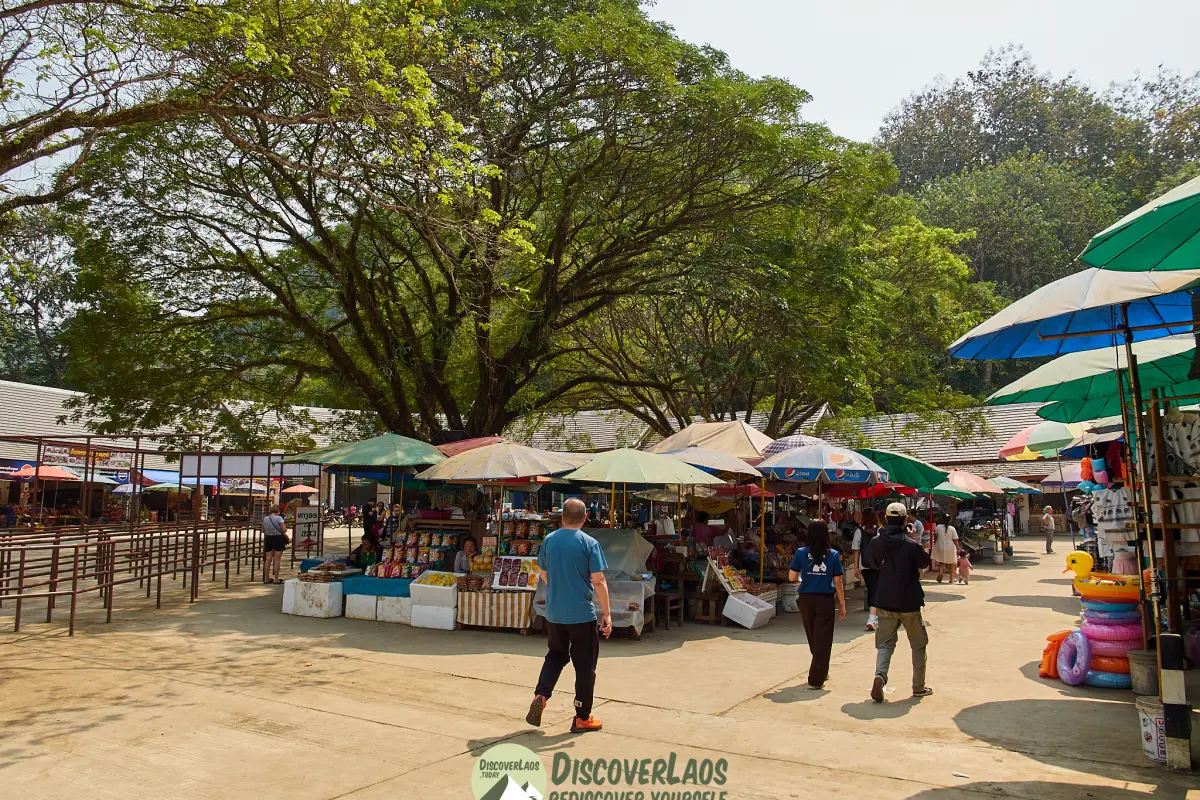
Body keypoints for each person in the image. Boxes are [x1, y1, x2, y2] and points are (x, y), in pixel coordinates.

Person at [526, 497, 611, 734]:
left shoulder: (549, 541)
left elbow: (543, 573)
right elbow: (599, 580)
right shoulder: (589, 543)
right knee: (584, 666)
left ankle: (541, 695)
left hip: (553, 614)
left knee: (555, 655)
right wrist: (607, 613)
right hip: (581, 615)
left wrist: (560, 587)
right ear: (585, 518)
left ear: (562, 517)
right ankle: (582, 717)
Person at [864, 502, 933, 702]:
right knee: (918, 644)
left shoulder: (876, 542)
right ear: (905, 520)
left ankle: (880, 675)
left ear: (886, 519)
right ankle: (918, 687)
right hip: (910, 601)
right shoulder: (911, 544)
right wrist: (913, 539)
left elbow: (870, 563)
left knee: (885, 645)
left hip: (885, 599)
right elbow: (924, 562)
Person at [789, 520, 847, 689]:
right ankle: (817, 677)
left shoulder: (800, 553)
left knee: (813, 635)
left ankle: (820, 669)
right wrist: (842, 604)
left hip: (806, 599)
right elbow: (838, 582)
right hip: (825, 600)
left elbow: (791, 577)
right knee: (824, 637)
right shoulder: (833, 555)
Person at [852, 508, 880, 631]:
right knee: (876, 589)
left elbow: (856, 550)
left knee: (871, 588)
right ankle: (872, 617)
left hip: (864, 565)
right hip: (878, 565)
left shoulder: (859, 531)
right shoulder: (880, 531)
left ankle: (873, 616)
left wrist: (856, 567)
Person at [262, 505, 288, 585]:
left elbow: (263, 530)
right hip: (278, 539)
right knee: (277, 560)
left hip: (268, 539)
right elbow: (284, 529)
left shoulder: (265, 518)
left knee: (268, 559)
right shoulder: (279, 518)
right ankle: (276, 579)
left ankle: (266, 578)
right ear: (278, 511)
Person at [932, 513, 959, 583]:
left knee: (941, 561)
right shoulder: (952, 529)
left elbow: (935, 536)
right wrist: (958, 548)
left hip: (940, 545)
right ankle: (951, 578)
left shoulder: (938, 527)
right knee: (952, 562)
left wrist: (935, 543)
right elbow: (955, 540)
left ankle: (941, 573)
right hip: (950, 546)